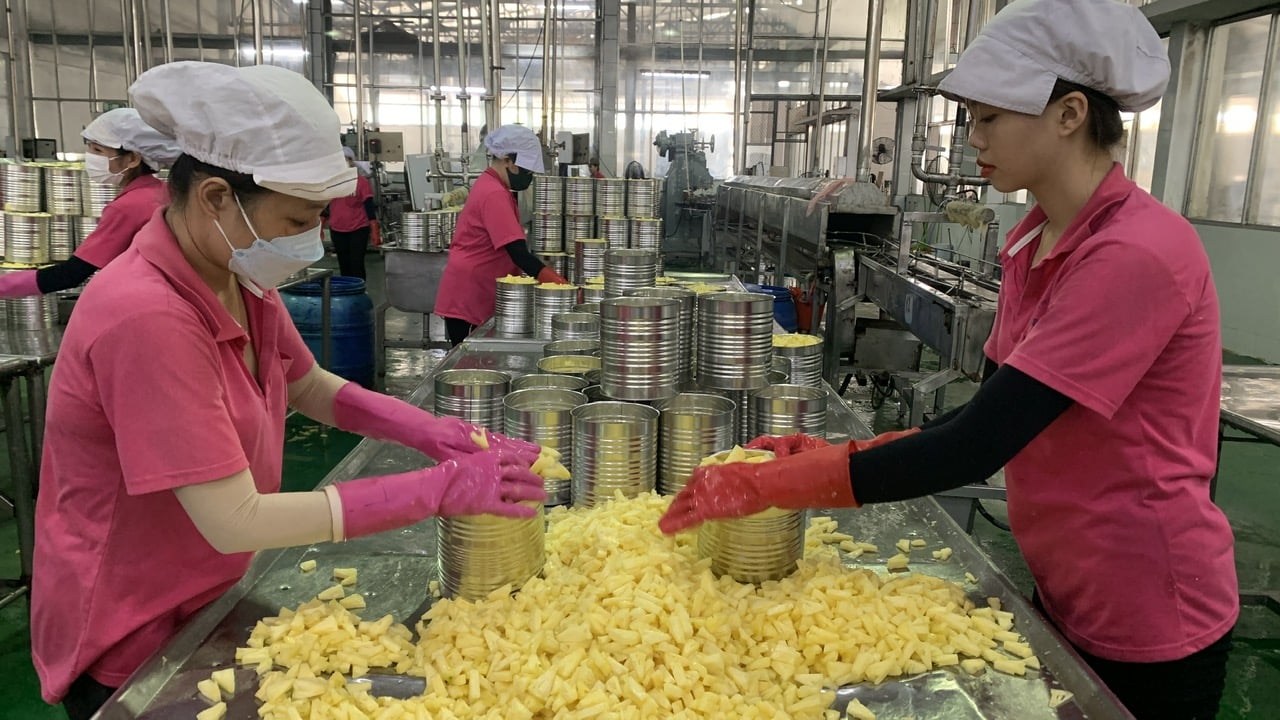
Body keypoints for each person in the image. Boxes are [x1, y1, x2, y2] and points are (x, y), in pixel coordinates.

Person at [659, 2, 1237, 719]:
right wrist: (835, 450)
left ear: (1069, 113)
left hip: (1150, 611)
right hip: (1067, 583)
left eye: (989, 119)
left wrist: (782, 483)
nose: (972, 140)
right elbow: (983, 413)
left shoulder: (1135, 254)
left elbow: (977, 447)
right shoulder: (1035, 238)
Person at [31, 61, 545, 720]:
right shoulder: (145, 315)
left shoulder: (237, 277)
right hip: (129, 629)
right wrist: (433, 489)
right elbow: (233, 520)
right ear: (217, 197)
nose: (313, 238)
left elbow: (309, 385)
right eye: (297, 218)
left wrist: (427, 429)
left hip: (205, 596)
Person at [0, 108, 180, 298]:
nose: (90, 157)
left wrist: (4, 286)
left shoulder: (128, 207)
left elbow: (71, 274)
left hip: (148, 298)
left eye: (98, 150)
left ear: (133, 159)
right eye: (90, 148)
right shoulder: (161, 191)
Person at [434, 124, 570, 346]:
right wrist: (558, 284)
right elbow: (518, 252)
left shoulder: (493, 186)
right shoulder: (494, 193)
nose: (529, 177)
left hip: (475, 291)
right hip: (470, 297)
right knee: (470, 369)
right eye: (527, 171)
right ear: (507, 161)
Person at [325, 145, 378, 279]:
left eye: (346, 159)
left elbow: (368, 206)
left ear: (351, 161)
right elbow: (325, 205)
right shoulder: (333, 182)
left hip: (358, 228)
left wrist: (374, 229)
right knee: (344, 264)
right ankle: (348, 294)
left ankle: (359, 291)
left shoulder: (361, 182)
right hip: (337, 229)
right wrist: (319, 226)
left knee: (356, 263)